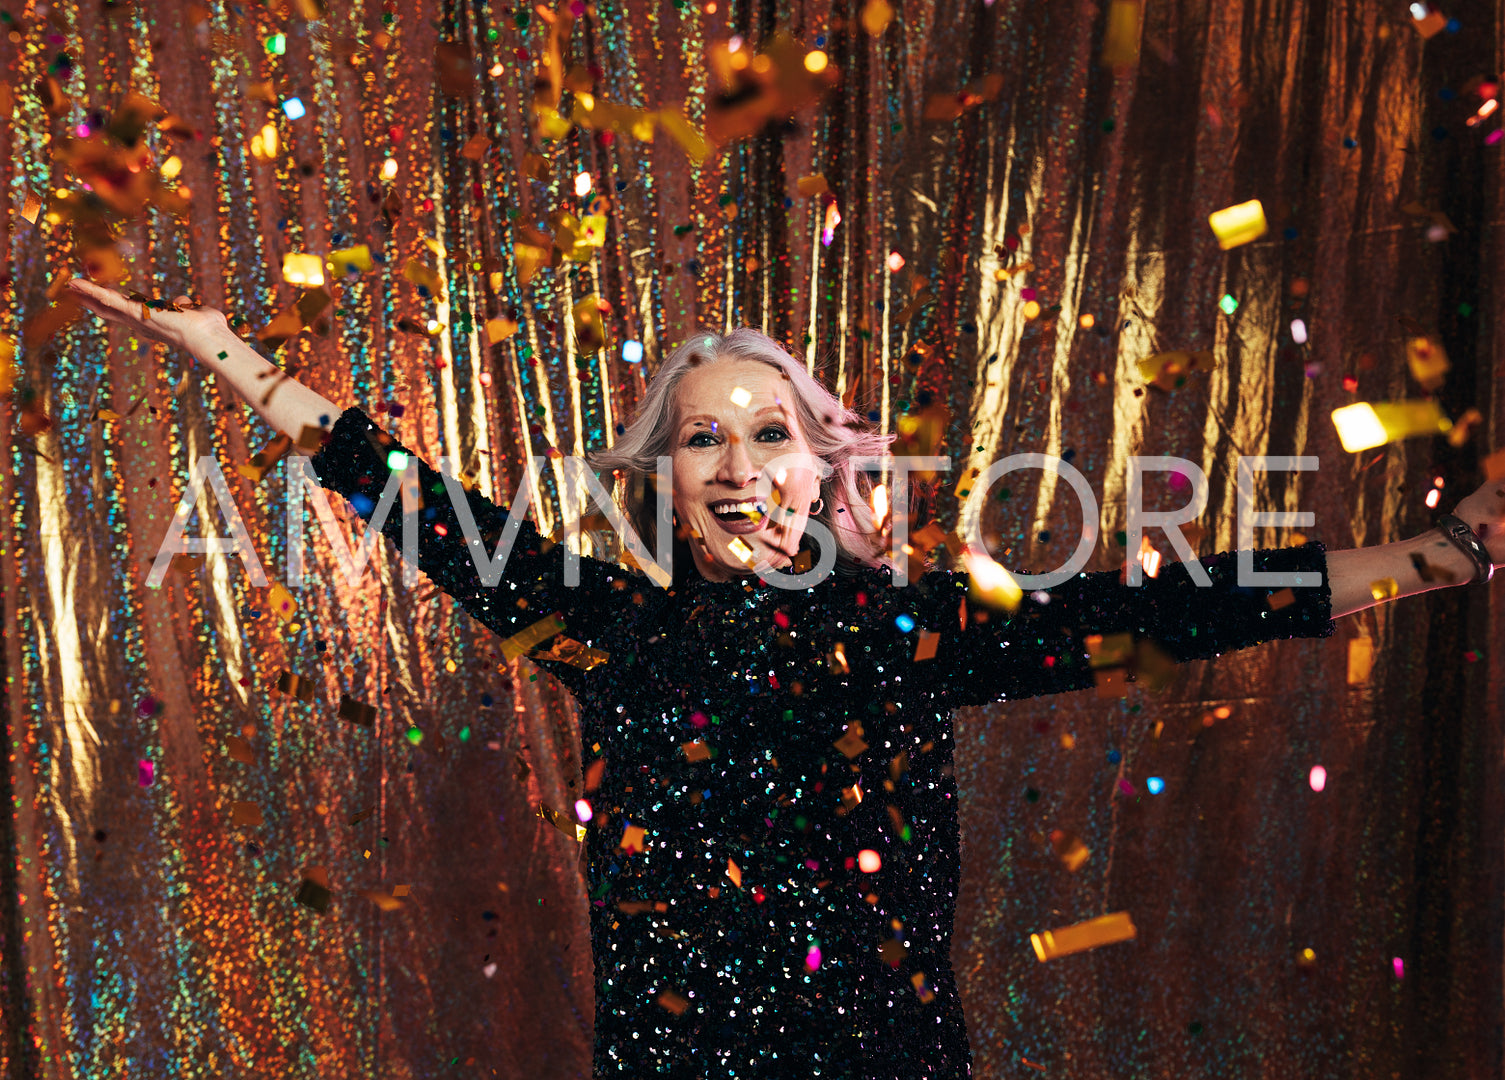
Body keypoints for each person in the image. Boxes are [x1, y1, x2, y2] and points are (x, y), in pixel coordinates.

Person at [66, 277, 1505, 1077]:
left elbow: (1174, 607)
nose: (738, 467)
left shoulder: (913, 633)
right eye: (701, 439)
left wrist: (1431, 561)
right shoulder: (602, 628)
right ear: (663, 477)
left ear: (822, 466)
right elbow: (414, 499)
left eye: (769, 434)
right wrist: (228, 356)